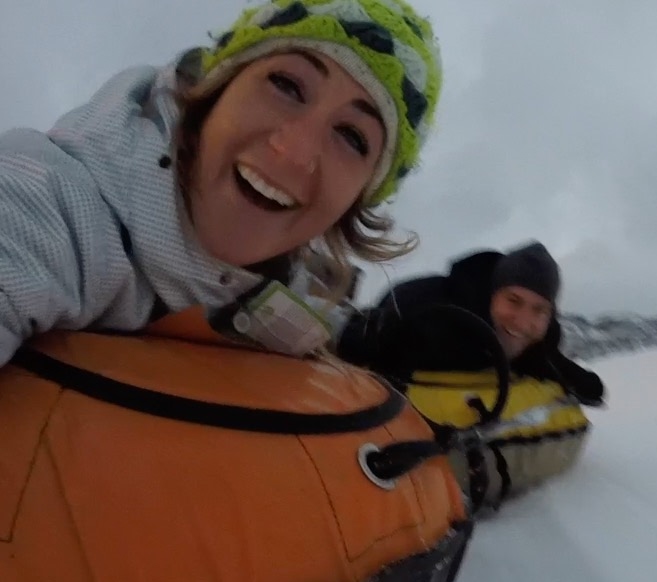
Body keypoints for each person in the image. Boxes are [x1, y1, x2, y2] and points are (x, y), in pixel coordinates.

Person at [0, 0, 443, 367]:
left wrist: (372, 339)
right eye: (287, 85)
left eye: (351, 137)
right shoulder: (48, 207)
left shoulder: (272, 283)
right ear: (215, 88)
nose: (295, 151)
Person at [337, 240, 607, 406]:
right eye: (513, 301)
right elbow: (355, 337)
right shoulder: (433, 313)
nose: (524, 321)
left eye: (539, 310)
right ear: (492, 294)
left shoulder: (539, 337)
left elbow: (543, 361)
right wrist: (366, 336)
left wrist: (577, 380)